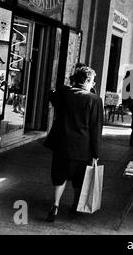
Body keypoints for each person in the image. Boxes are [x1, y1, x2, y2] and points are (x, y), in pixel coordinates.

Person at [43, 66, 104, 222]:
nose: (93, 84)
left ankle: (55, 205)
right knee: (79, 178)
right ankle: (76, 204)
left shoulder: (64, 93)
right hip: (82, 148)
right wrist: (96, 153)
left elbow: (51, 94)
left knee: (59, 175)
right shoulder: (95, 100)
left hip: (61, 144)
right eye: (92, 81)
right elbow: (96, 128)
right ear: (88, 81)